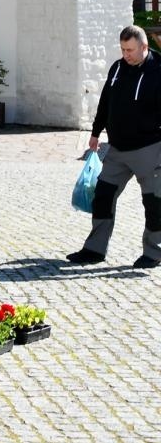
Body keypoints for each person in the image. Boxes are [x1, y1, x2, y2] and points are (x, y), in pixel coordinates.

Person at [66, 25, 161, 269]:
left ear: (144, 47)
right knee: (103, 196)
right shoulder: (117, 68)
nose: (125, 54)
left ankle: (153, 252)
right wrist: (96, 132)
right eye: (122, 49)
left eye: (130, 50)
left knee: (154, 203)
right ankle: (95, 249)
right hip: (117, 148)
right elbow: (106, 101)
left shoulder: (158, 69)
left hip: (149, 148)